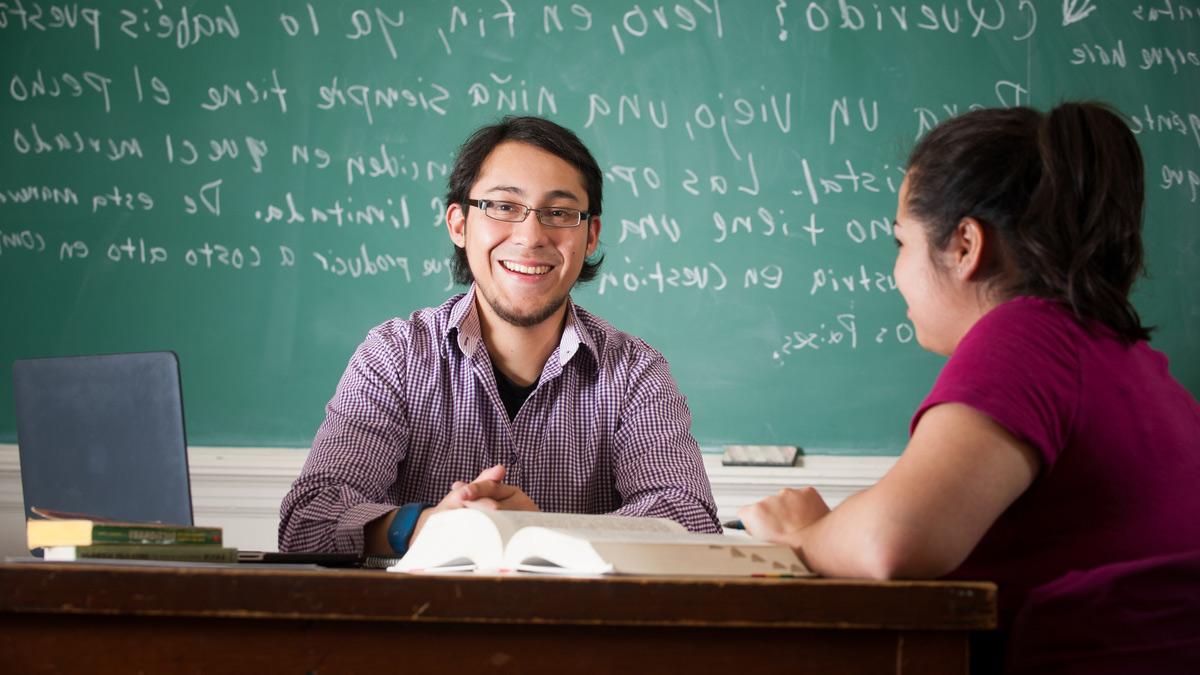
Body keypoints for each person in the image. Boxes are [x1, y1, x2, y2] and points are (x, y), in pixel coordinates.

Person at [739, 102, 1200, 673]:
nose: (896, 271)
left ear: (964, 246)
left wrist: (803, 535)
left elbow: (894, 541)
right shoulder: (1128, 357)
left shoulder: (1025, 335)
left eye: (901, 243)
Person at [280, 116, 720, 557]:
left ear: (590, 236)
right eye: (504, 207)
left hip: (575, 627)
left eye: (560, 213)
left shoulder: (634, 372)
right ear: (458, 224)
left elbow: (690, 518)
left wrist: (542, 533)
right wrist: (429, 526)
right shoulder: (396, 355)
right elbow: (308, 521)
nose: (530, 237)